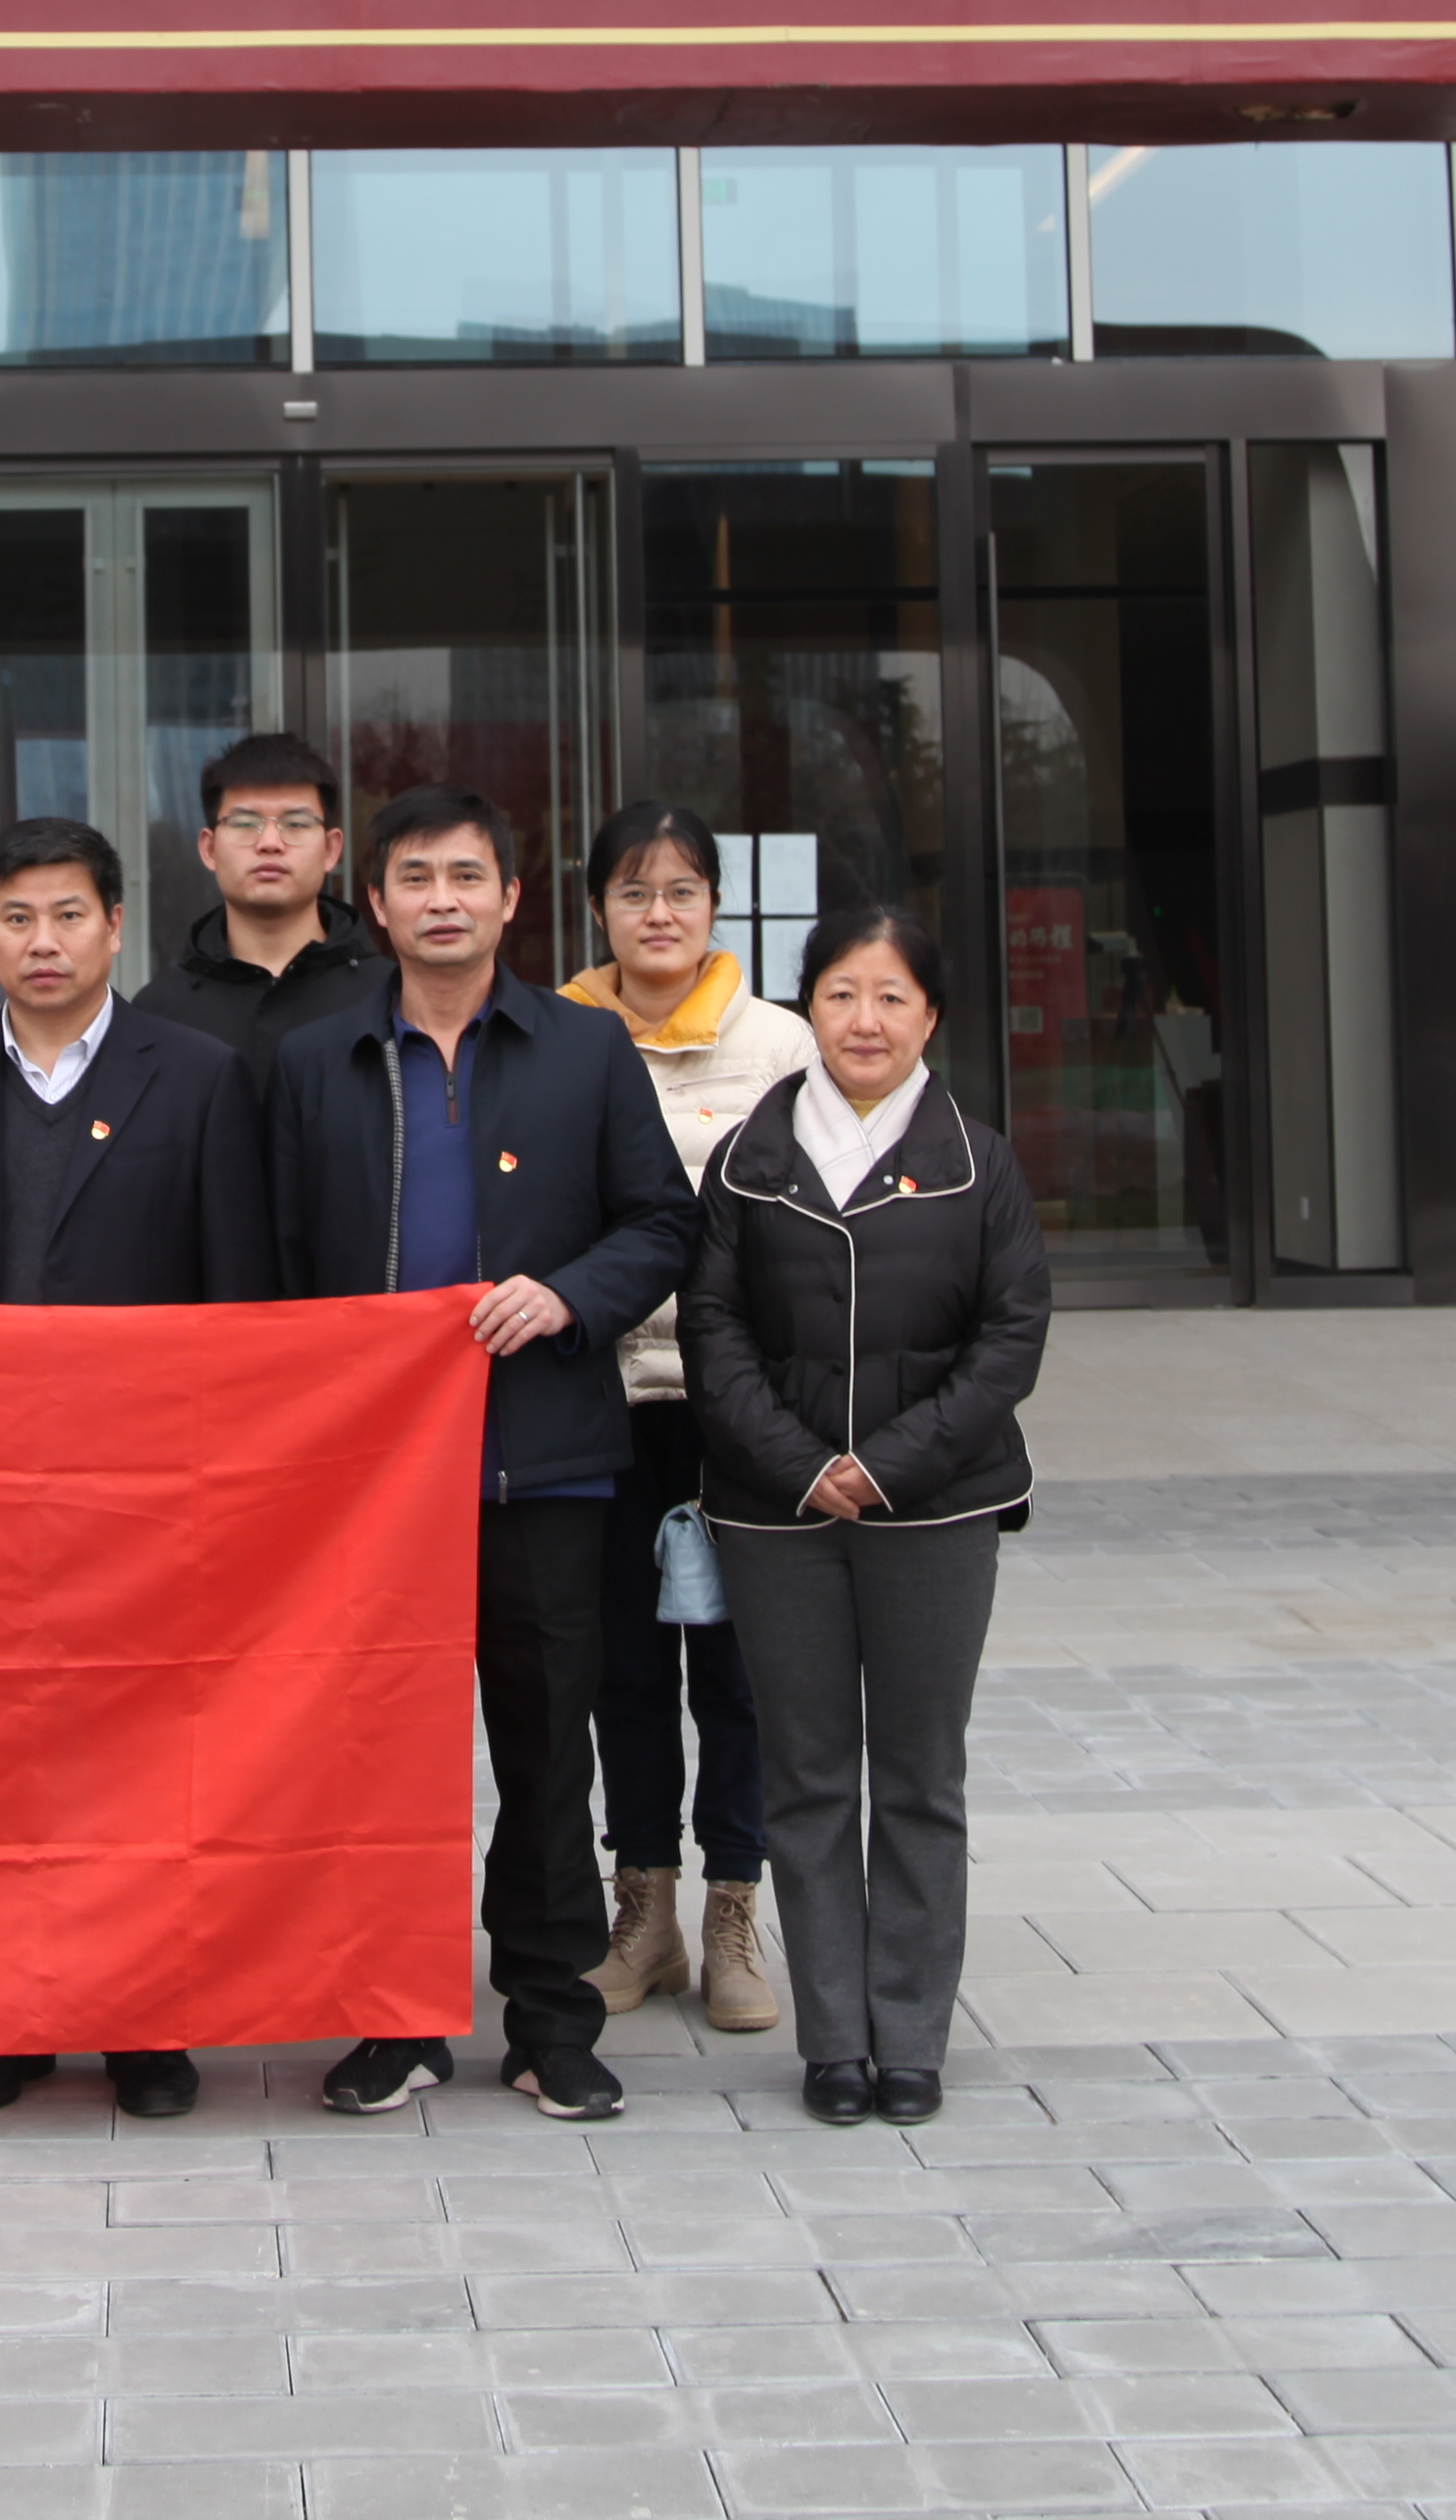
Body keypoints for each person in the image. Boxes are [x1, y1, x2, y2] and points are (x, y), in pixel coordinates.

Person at [263, 785, 694, 2125]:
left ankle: (552, 2022)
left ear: (511, 899)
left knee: (548, 1750)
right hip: (370, 1481)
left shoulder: (585, 1049)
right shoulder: (315, 1063)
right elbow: (271, 1268)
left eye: (466, 876)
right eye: (415, 878)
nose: (440, 900)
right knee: (379, 1758)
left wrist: (568, 1295)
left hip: (545, 1460)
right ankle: (391, 2018)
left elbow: (661, 1224)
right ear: (374, 903)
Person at [0, 813, 279, 2121]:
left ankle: (142, 2019)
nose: (42, 941)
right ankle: (2, 2013)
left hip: (142, 1493)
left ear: (115, 926)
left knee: (138, 1758)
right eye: (16, 918)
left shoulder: (199, 1077)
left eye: (67, 916)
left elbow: (238, 1300)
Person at [677, 905, 1053, 2131]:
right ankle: (835, 2039)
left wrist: (885, 1467)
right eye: (842, 994)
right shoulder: (751, 1158)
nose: (866, 1021)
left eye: (892, 997)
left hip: (935, 1511)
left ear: (930, 1015)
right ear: (809, 1012)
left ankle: (914, 2036)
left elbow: (1010, 1337)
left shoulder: (979, 1161)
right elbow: (712, 1330)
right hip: (777, 1514)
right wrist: (803, 1466)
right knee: (807, 1777)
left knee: (920, 1775)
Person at [563, 800, 815, 2041]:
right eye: (632, 892)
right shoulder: (556, 1038)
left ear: (714, 906)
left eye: (680, 892)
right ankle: (644, 1910)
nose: (657, 914)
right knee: (620, 1668)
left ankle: (732, 1914)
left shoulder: (780, 1046)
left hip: (737, 1409)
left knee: (738, 1671)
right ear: (596, 909)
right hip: (600, 1402)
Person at [128, 729, 389, 1060]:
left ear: (331, 849)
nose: (269, 843)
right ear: (209, 849)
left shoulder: (392, 999)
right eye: (244, 824)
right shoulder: (156, 1013)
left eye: (296, 824)